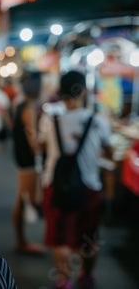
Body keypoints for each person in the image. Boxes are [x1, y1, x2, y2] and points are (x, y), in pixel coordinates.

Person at [38, 71, 114, 289]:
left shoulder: (49, 118)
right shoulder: (98, 121)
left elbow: (40, 147)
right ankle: (86, 276)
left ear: (61, 93)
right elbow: (109, 151)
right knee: (88, 237)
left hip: (56, 184)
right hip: (89, 187)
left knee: (60, 237)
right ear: (84, 91)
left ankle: (64, 281)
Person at [11, 71, 44, 255]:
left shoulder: (22, 105)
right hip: (27, 160)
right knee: (25, 199)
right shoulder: (29, 108)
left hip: (22, 158)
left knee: (22, 199)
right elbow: (33, 141)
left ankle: (21, 240)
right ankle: (21, 241)